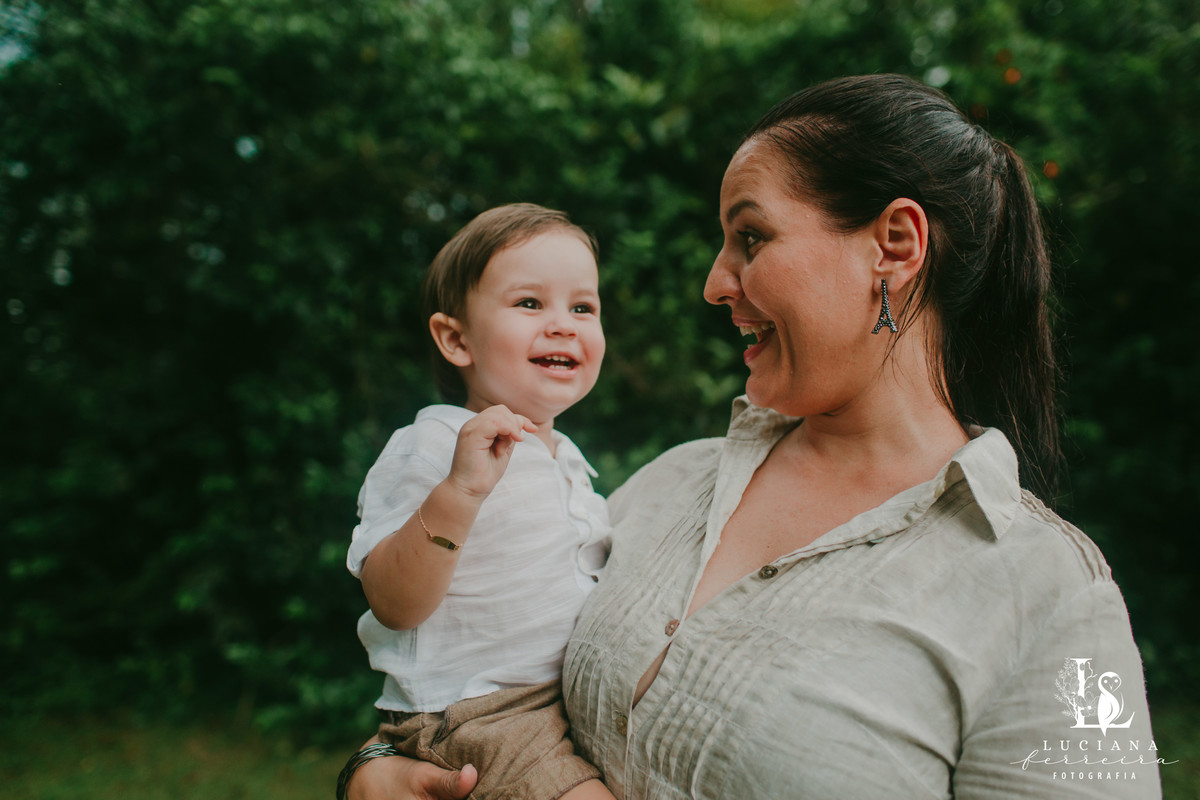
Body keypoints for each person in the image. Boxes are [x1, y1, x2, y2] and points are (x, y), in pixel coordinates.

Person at [347, 75, 1160, 799]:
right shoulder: (668, 485)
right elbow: (464, 686)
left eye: (752, 238)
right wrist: (371, 773)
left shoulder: (1049, 594)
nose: (713, 282)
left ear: (896, 245)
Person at [341, 204, 616, 800]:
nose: (564, 324)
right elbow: (393, 601)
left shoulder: (569, 459)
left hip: (562, 703)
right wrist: (459, 493)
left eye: (583, 307)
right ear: (455, 338)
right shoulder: (435, 443)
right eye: (529, 303)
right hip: (479, 711)